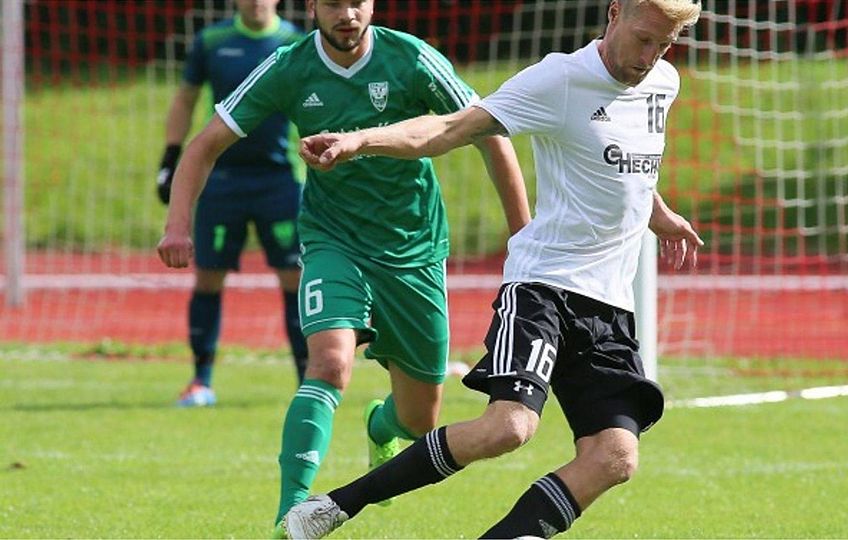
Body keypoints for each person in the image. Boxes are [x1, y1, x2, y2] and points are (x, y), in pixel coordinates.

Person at [282, 0, 704, 538]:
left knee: (615, 457)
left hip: (610, 306)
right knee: (509, 428)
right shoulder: (561, 79)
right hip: (545, 288)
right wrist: (360, 140)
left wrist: (659, 214)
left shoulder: (662, 84)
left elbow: (627, 167)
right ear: (614, 12)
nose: (650, 56)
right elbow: (450, 128)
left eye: (664, 44)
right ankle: (336, 505)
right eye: (644, 38)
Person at [155, 0, 530, 533]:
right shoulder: (290, 65)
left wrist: (523, 236)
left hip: (413, 248)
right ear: (312, 7)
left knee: (420, 421)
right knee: (329, 364)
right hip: (335, 239)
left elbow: (488, 132)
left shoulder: (413, 60)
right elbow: (204, 144)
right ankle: (292, 514)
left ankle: (382, 426)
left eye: (357, 1)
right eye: (333, 3)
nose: (347, 14)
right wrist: (177, 225)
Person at [156, 0, 307, 407]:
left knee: (294, 279)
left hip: (281, 180)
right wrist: (171, 157)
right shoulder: (212, 40)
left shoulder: (296, 42)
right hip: (221, 181)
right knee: (208, 276)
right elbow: (186, 98)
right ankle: (200, 381)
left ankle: (306, 383)